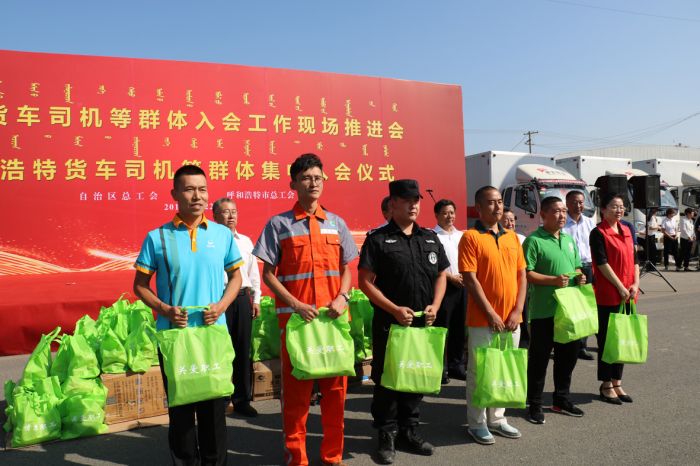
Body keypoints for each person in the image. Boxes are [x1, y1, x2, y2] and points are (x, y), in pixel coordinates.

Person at [133, 164, 243, 466]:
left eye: (202, 189)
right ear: (175, 194)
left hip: (212, 335)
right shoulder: (157, 237)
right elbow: (140, 285)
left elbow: (236, 277)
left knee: (214, 411)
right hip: (175, 337)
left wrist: (221, 306)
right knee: (181, 412)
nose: (198, 196)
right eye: (190, 189)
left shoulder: (222, 234)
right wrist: (165, 309)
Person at [253, 153, 358, 466]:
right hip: (297, 325)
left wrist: (343, 297)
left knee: (335, 396)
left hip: (333, 323)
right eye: (306, 178)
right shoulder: (279, 225)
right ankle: (297, 459)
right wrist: (296, 304)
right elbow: (268, 274)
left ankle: (332, 457)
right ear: (293, 184)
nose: (313, 183)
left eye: (318, 177)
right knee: (296, 399)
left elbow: (347, 268)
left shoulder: (337, 223)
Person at [359, 179, 449, 464]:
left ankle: (409, 430)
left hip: (422, 323)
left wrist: (435, 305)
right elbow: (365, 282)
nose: (413, 205)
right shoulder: (378, 239)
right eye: (407, 200)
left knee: (416, 374)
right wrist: (394, 309)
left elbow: (442, 274)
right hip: (392, 323)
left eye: (416, 200)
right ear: (393, 203)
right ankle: (386, 433)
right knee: (388, 380)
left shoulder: (429, 238)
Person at [459, 186, 527, 445]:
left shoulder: (512, 238)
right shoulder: (471, 237)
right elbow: (470, 278)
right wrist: (490, 313)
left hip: (511, 320)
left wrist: (517, 310)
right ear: (478, 207)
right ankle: (477, 423)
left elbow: (522, 276)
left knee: (503, 369)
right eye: (490, 202)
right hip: (482, 319)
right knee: (479, 372)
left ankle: (497, 418)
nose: (497, 206)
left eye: (499, 202)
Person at [524, 196, 587, 424]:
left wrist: (580, 276)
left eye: (563, 211)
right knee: (539, 359)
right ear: (543, 214)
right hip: (543, 311)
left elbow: (576, 266)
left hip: (568, 310)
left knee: (567, 356)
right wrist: (552, 280)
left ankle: (561, 399)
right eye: (556, 211)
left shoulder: (568, 239)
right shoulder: (533, 241)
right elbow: (526, 273)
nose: (562, 215)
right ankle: (534, 403)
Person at [589, 193, 640, 405]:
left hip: (628, 294)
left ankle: (617, 381)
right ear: (603, 209)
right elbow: (601, 263)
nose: (619, 210)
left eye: (621, 206)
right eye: (614, 206)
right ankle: (606, 384)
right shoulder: (598, 233)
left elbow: (636, 259)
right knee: (606, 341)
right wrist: (619, 286)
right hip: (609, 295)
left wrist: (635, 283)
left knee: (622, 339)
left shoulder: (627, 229)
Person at [213, 198, 261, 417]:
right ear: (215, 216)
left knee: (242, 349)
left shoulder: (246, 241)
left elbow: (253, 273)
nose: (231, 216)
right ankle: (222, 399)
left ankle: (242, 400)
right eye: (225, 212)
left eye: (234, 211)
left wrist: (256, 299)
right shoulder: (210, 241)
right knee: (220, 350)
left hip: (242, 298)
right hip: (219, 299)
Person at [433, 199, 467, 383]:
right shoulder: (433, 236)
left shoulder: (462, 235)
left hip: (462, 287)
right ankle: (440, 369)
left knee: (459, 327)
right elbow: (433, 266)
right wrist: (450, 277)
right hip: (443, 287)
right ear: (437, 215)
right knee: (441, 328)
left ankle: (456, 366)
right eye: (445, 213)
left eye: (452, 212)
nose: (449, 216)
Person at [562, 190, 596, 361]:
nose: (578, 205)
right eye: (574, 202)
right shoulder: (562, 224)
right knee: (569, 307)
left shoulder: (590, 223)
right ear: (567, 204)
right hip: (570, 269)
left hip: (588, 267)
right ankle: (566, 344)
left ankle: (581, 346)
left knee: (586, 307)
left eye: (581, 202)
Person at [500, 208, 529, 349]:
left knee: (523, 314)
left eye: (512, 220)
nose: (510, 223)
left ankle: (524, 345)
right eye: (506, 220)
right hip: (506, 285)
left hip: (521, 283)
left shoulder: (521, 238)